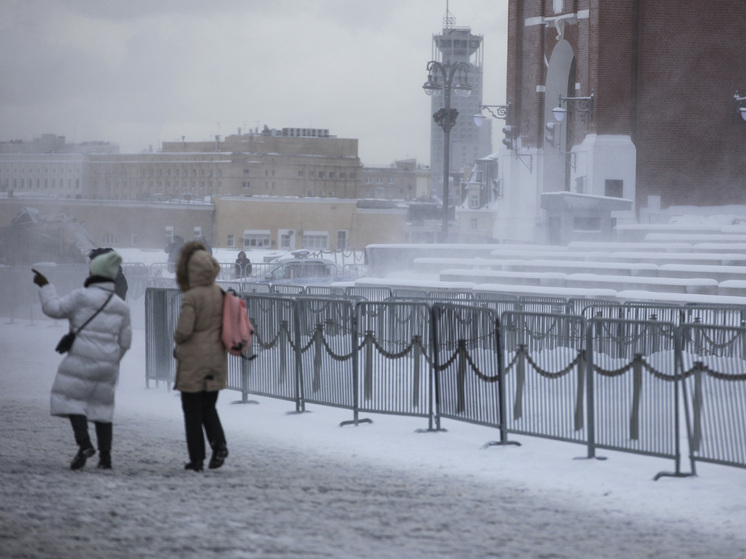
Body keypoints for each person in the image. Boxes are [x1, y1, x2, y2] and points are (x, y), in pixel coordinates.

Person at [33, 250, 132, 470]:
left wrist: (45, 286)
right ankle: (105, 457)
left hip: (81, 360)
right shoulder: (120, 305)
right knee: (103, 409)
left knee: (72, 400)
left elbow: (53, 309)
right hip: (107, 365)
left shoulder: (81, 296)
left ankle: (85, 444)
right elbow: (125, 340)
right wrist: (113, 359)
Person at [173, 241, 229, 471]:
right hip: (216, 359)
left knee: (192, 412)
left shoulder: (192, 296)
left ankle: (196, 459)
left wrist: (177, 337)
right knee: (209, 408)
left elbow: (184, 331)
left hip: (194, 362)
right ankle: (219, 444)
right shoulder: (220, 292)